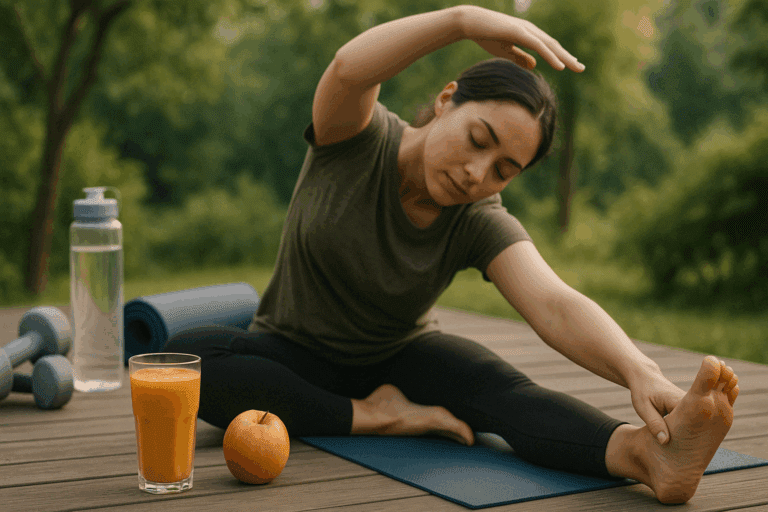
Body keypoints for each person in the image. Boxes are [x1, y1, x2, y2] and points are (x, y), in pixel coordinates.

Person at [163, 5, 739, 504]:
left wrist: (642, 370)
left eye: (502, 171)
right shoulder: (355, 138)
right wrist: (461, 20)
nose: (475, 174)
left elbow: (554, 302)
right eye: (478, 140)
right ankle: (380, 417)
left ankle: (645, 457)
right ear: (445, 102)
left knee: (502, 391)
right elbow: (348, 68)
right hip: (292, 352)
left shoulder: (478, 219)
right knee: (185, 359)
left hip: (399, 357)